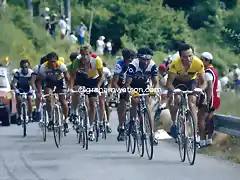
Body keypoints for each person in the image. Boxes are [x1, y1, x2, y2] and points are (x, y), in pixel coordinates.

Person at [166, 43, 205, 141]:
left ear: (193, 54)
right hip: (177, 82)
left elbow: (203, 82)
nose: (188, 59)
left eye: (190, 56)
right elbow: (169, 84)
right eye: (185, 57)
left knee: (192, 103)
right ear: (180, 56)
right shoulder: (175, 63)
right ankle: (174, 123)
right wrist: (174, 91)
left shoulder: (198, 63)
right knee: (176, 99)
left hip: (190, 81)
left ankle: (195, 134)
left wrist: (200, 89)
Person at [124, 47, 159, 145]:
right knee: (134, 101)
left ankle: (152, 134)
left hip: (144, 84)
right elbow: (127, 84)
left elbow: (156, 82)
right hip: (132, 84)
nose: (146, 62)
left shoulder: (152, 65)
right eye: (144, 59)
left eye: (148, 59)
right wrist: (132, 92)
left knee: (148, 108)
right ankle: (132, 120)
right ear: (139, 58)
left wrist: (153, 89)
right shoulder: (133, 65)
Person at [70, 44, 103, 141]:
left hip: (93, 80)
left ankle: (91, 127)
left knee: (92, 103)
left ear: (90, 54)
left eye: (86, 54)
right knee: (77, 90)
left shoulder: (97, 61)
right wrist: (71, 89)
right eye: (82, 54)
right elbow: (72, 76)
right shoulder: (77, 61)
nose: (84, 57)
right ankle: (75, 112)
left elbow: (101, 76)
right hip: (81, 79)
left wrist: (97, 86)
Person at [37, 52, 70, 132]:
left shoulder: (61, 66)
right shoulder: (43, 67)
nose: (52, 63)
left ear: (57, 61)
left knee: (63, 100)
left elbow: (67, 78)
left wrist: (68, 89)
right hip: (49, 82)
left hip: (60, 81)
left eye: (54, 61)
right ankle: (51, 119)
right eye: (50, 62)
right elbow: (39, 81)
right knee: (48, 98)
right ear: (47, 61)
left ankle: (65, 120)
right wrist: (40, 91)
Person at [112, 48, 136, 141]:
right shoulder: (119, 64)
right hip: (122, 84)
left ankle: (135, 122)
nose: (129, 61)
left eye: (131, 58)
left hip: (133, 84)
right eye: (127, 59)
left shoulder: (136, 64)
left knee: (137, 101)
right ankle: (121, 127)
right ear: (124, 58)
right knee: (122, 105)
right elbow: (114, 82)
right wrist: (119, 90)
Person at [198, 52, 220, 148]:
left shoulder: (207, 72)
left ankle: (202, 140)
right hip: (215, 98)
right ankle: (209, 140)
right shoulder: (214, 71)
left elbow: (210, 87)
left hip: (209, 98)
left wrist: (207, 101)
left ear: (207, 61)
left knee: (201, 119)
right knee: (209, 119)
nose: (201, 61)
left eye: (202, 59)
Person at [11, 60, 34, 125]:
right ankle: (19, 115)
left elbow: (33, 83)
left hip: (28, 88)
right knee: (18, 100)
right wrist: (15, 89)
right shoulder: (17, 73)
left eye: (26, 67)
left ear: (28, 66)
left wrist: (33, 89)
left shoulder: (31, 73)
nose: (25, 69)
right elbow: (13, 83)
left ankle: (30, 115)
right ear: (21, 67)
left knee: (29, 99)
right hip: (20, 88)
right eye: (23, 67)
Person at [31, 56, 48, 122]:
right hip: (38, 83)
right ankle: (38, 110)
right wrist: (35, 90)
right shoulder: (37, 68)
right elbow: (33, 81)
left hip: (47, 83)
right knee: (38, 96)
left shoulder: (51, 67)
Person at [99, 61, 113, 133]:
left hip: (105, 86)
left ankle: (107, 123)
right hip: (95, 85)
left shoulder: (106, 70)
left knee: (105, 103)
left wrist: (109, 89)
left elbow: (110, 81)